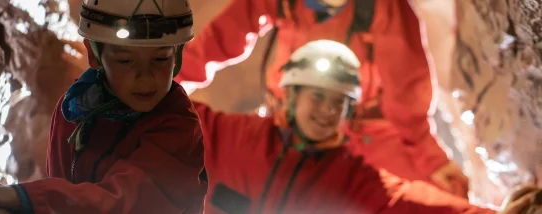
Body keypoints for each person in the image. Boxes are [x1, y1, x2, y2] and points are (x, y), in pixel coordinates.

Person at [193, 40, 536, 214]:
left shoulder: (350, 178)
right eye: (318, 97)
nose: (328, 111)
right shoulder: (232, 137)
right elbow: (166, 110)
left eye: (338, 102)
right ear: (291, 93)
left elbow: (415, 205)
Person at [0, 0, 207, 213]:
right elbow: (71, 197)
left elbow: (123, 203)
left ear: (177, 56)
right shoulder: (78, 108)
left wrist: (16, 196)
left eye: (160, 59)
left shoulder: (177, 128)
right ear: (93, 54)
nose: (145, 77)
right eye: (126, 61)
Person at [175, 0, 468, 197]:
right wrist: (168, 88)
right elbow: (220, 38)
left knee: (426, 196)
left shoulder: (384, 8)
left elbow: (406, 94)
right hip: (287, 120)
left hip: (362, 129)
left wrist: (433, 163)